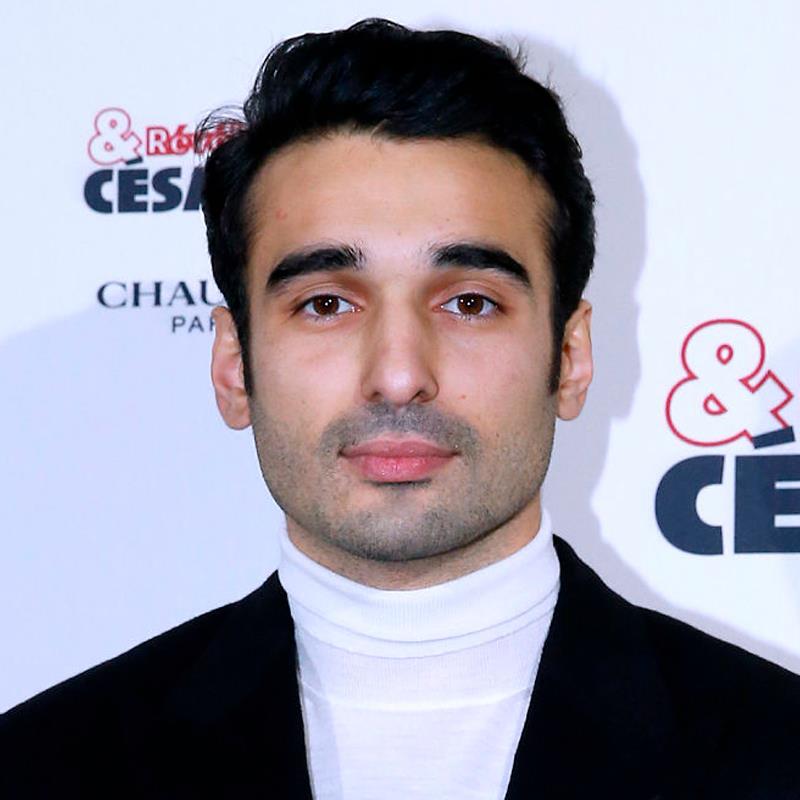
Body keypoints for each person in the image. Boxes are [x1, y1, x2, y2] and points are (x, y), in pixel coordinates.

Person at [2, 17, 799, 800]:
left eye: (470, 303)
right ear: (234, 366)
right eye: (325, 304)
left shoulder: (775, 750)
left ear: (570, 357)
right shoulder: (44, 767)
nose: (397, 375)